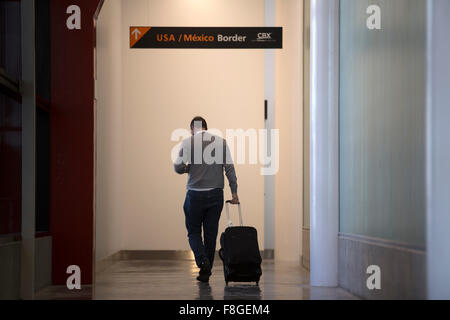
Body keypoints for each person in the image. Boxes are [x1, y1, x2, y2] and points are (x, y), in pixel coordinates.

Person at [174, 116, 239, 283]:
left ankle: (202, 261)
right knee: (211, 234)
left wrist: (189, 168)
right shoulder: (221, 142)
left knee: (194, 232)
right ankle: (206, 271)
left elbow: (178, 167)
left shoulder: (188, 142)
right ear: (205, 128)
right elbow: (229, 169)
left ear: (192, 129)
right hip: (216, 195)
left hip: (194, 195)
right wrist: (234, 192)